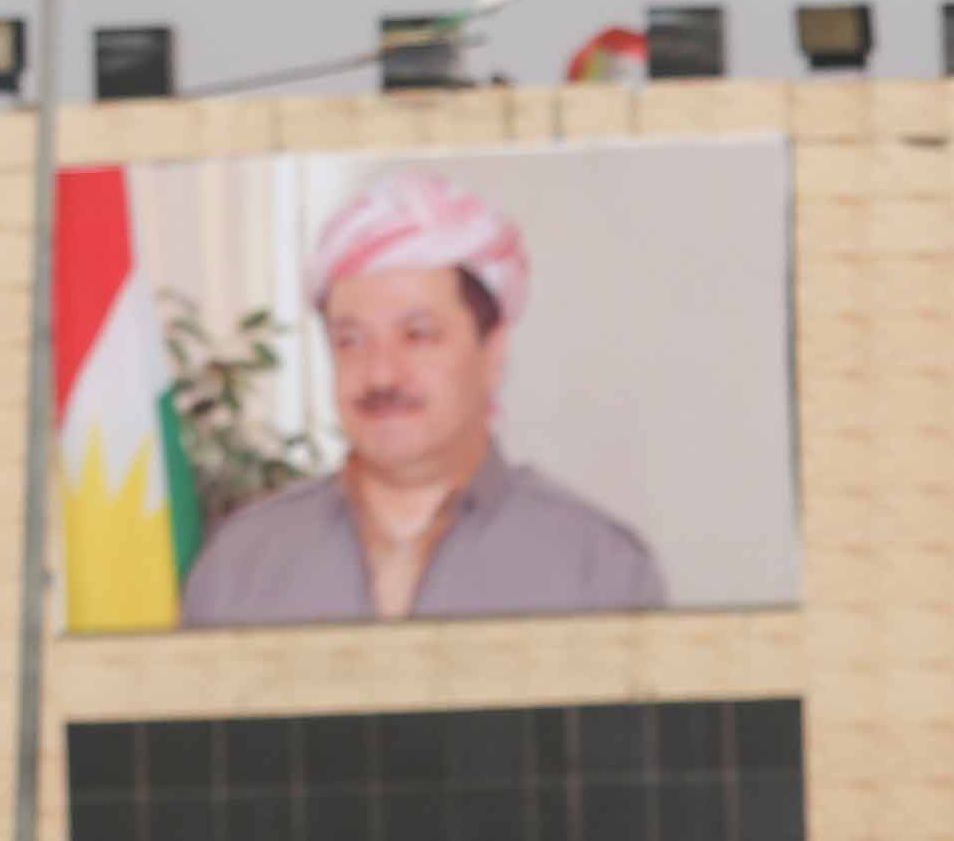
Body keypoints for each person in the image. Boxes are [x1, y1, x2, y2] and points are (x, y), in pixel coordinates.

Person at [176, 167, 667, 623]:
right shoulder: (240, 566)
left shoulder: (597, 570)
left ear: (493, 353)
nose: (380, 374)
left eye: (418, 335)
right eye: (351, 340)